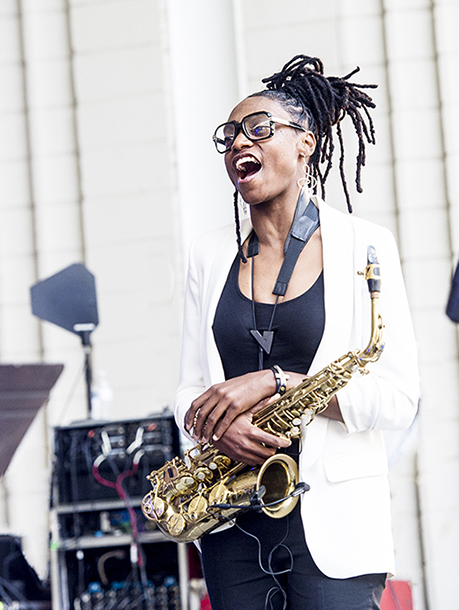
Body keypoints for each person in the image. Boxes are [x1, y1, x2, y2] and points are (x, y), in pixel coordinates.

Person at [174, 55, 420, 610]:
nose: (241, 142)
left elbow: (400, 399)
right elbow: (189, 391)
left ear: (305, 142)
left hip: (335, 525)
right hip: (232, 519)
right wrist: (215, 431)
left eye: (259, 129)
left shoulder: (366, 246)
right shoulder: (208, 255)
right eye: (230, 135)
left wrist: (281, 384)